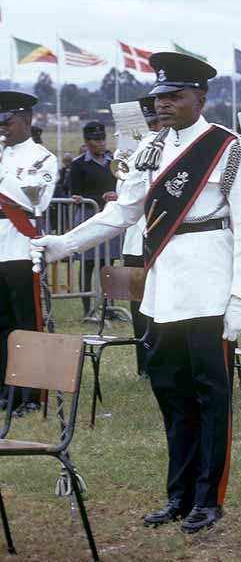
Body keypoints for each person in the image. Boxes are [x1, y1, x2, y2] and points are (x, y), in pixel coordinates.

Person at [31, 52, 241, 533]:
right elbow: (121, 214)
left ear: (201, 97)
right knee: (172, 398)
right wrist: (63, 244)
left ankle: (208, 498)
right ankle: (178, 495)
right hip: (162, 291)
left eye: (175, 96)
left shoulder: (229, 148)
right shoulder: (149, 150)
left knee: (210, 399)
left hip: (210, 288)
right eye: (159, 97)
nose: (163, 105)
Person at [0, 92, 58, 416]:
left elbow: (36, 201)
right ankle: (5, 390)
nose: (3, 128)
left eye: (7, 121)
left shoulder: (41, 158)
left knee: (27, 322)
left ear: (27, 120)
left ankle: (32, 396)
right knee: (2, 323)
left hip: (21, 245)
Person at [119, 96, 161, 378]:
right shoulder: (132, 151)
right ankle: (143, 363)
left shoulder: (159, 150)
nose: (148, 128)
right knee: (137, 304)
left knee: (157, 302)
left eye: (151, 123)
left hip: (155, 235)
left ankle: (159, 358)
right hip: (134, 239)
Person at [68, 120, 119, 316]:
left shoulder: (113, 162)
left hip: (108, 217)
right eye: (96, 140)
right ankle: (87, 308)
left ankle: (109, 306)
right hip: (89, 216)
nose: (101, 143)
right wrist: (100, 198)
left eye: (103, 139)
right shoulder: (79, 165)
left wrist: (114, 195)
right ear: (87, 142)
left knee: (108, 263)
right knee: (88, 264)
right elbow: (75, 193)